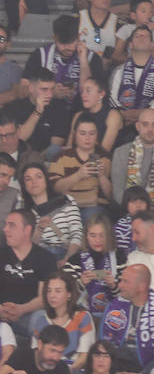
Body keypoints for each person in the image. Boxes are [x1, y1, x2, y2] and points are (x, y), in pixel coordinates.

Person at [99, 263, 154, 374]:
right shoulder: (114, 306)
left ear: (142, 286)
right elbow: (101, 344)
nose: (120, 286)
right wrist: (113, 373)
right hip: (114, 370)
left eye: (126, 282)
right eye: (121, 280)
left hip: (147, 372)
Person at [0, 209, 57, 340]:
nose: (5, 229)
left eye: (12, 225)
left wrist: (21, 309)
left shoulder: (45, 258)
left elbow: (45, 297)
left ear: (27, 230)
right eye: (6, 224)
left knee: (42, 318)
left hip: (28, 315)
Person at [49, 120, 112, 223]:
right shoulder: (62, 156)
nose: (87, 138)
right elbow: (56, 188)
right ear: (75, 135)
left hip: (95, 206)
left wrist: (102, 177)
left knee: (91, 217)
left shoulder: (106, 158)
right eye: (82, 133)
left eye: (92, 134)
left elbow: (111, 196)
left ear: (97, 136)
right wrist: (78, 175)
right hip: (68, 206)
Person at [19, 162, 83, 261]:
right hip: (39, 257)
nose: (34, 182)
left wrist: (67, 258)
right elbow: (26, 247)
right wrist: (39, 229)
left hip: (67, 253)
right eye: (28, 179)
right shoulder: (24, 212)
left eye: (38, 177)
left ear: (46, 179)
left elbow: (77, 234)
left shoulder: (65, 201)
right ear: (23, 185)